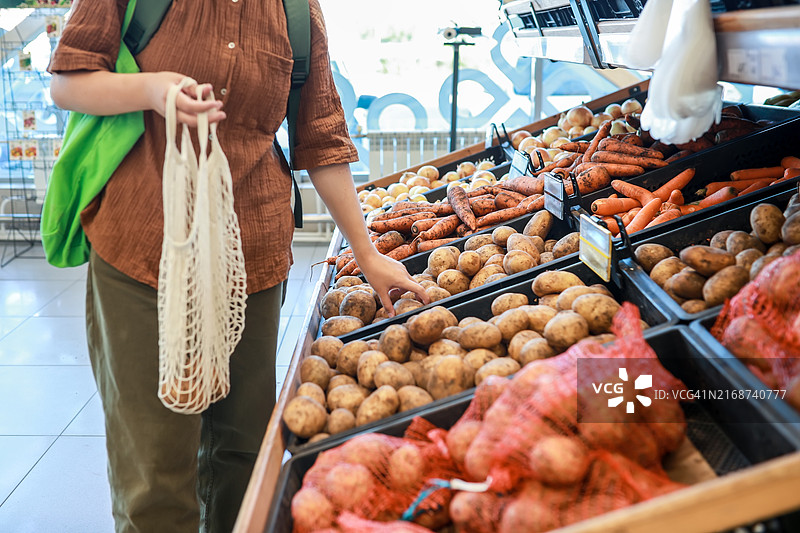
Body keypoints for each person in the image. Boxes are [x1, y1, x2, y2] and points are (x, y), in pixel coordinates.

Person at [47, 1, 428, 532]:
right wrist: (152, 90)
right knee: (156, 470)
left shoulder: (296, 10)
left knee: (243, 454)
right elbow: (68, 81)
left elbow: (319, 136)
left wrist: (367, 253)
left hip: (251, 255)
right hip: (144, 246)